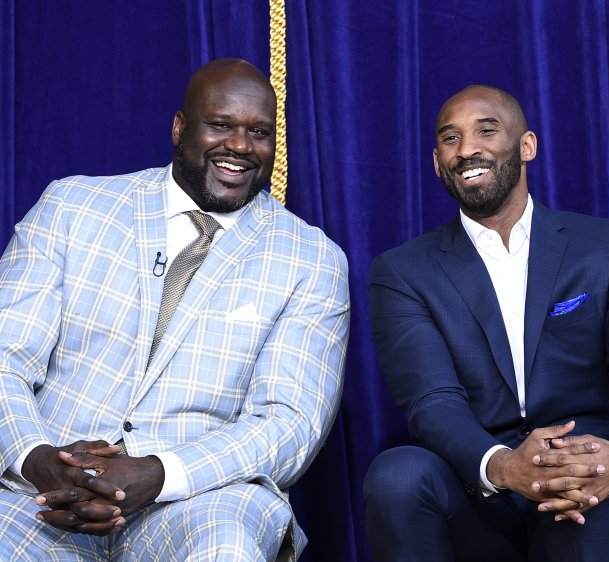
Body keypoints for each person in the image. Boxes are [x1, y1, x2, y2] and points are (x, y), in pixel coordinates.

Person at [0, 58, 350, 560]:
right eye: (221, 125)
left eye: (259, 132)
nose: (240, 146)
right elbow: (4, 357)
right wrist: (38, 459)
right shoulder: (72, 207)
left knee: (226, 547)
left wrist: (160, 472)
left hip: (200, 501)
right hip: (39, 492)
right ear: (179, 127)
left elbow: (289, 421)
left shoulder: (311, 260)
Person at [364, 84, 609, 561]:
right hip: (478, 491)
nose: (467, 148)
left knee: (580, 500)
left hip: (589, 481)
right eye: (450, 139)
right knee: (397, 475)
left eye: (486, 131)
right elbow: (433, 402)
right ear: (435, 162)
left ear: (526, 145)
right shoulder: (403, 272)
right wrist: (507, 467)